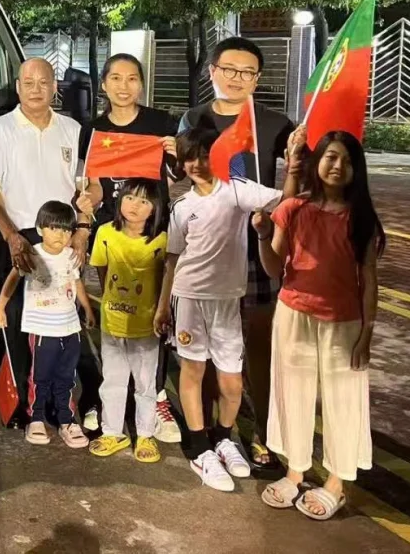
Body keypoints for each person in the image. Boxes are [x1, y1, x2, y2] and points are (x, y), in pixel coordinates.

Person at [155, 126, 299, 492]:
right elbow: (173, 260)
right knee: (193, 370)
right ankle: (200, 449)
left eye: (205, 156)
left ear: (217, 157)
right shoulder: (182, 207)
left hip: (228, 300)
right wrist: (162, 306)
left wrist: (293, 170)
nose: (197, 164)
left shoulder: (237, 190)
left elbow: (285, 202)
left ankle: (222, 438)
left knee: (232, 380)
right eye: (190, 158)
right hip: (189, 297)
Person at [178, 36, 296, 470]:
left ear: (257, 79)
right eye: (229, 69)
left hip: (256, 243)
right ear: (212, 71)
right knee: (206, 352)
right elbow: (182, 175)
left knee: (260, 343)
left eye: (247, 72)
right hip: (209, 248)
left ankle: (265, 432)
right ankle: (214, 433)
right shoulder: (194, 118)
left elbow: (299, 174)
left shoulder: (275, 123)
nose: (237, 78)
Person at [254, 132, 383, 520]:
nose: (337, 166)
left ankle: (336, 483)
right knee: (292, 393)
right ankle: (295, 471)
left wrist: (366, 334)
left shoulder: (361, 218)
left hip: (343, 323)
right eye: (330, 157)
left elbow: (369, 280)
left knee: (344, 401)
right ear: (317, 162)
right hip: (293, 315)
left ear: (357, 169)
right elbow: (274, 268)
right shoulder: (292, 209)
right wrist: (263, 235)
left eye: (347, 160)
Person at [0, 57, 92, 424]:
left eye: (44, 82)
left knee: (63, 325)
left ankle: (60, 402)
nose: (36, 89)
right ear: (17, 87)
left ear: (55, 86)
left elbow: (89, 187)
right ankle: (24, 407)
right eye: (28, 83)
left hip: (64, 237)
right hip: (21, 236)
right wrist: (11, 236)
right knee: (18, 321)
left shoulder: (73, 129)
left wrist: (82, 230)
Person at [78, 53, 180, 442]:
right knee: (115, 312)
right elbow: (94, 184)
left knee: (155, 315)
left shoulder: (160, 123)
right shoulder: (93, 130)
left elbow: (176, 173)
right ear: (104, 84)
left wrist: (175, 153)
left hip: (152, 235)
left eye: (132, 78)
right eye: (116, 78)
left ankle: (155, 397)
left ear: (141, 83)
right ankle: (111, 399)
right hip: (113, 237)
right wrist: (86, 204)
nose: (124, 86)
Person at [0, 200, 95, 448]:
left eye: (66, 230)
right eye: (53, 228)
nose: (60, 235)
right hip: (42, 329)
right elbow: (12, 280)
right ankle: (36, 418)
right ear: (40, 229)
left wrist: (88, 309)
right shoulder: (32, 254)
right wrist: (1, 308)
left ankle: (66, 420)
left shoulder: (71, 256)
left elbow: (77, 283)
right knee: (40, 377)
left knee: (66, 377)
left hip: (70, 328)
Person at [87, 178, 170, 464]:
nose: (135, 206)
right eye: (130, 197)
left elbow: (165, 279)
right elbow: (102, 271)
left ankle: (145, 434)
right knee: (113, 380)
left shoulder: (161, 240)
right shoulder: (104, 232)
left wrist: (161, 312)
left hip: (146, 325)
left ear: (155, 208)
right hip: (112, 322)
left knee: (145, 383)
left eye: (144, 201)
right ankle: (112, 432)